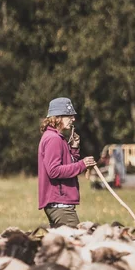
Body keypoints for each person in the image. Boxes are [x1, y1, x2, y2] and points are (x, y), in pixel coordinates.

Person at [38, 97, 95, 228]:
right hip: (60, 206)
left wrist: (74, 149)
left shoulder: (56, 138)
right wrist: (82, 164)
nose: (73, 119)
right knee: (78, 242)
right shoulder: (54, 139)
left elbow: (65, 164)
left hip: (59, 205)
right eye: (69, 116)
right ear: (57, 117)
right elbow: (54, 171)